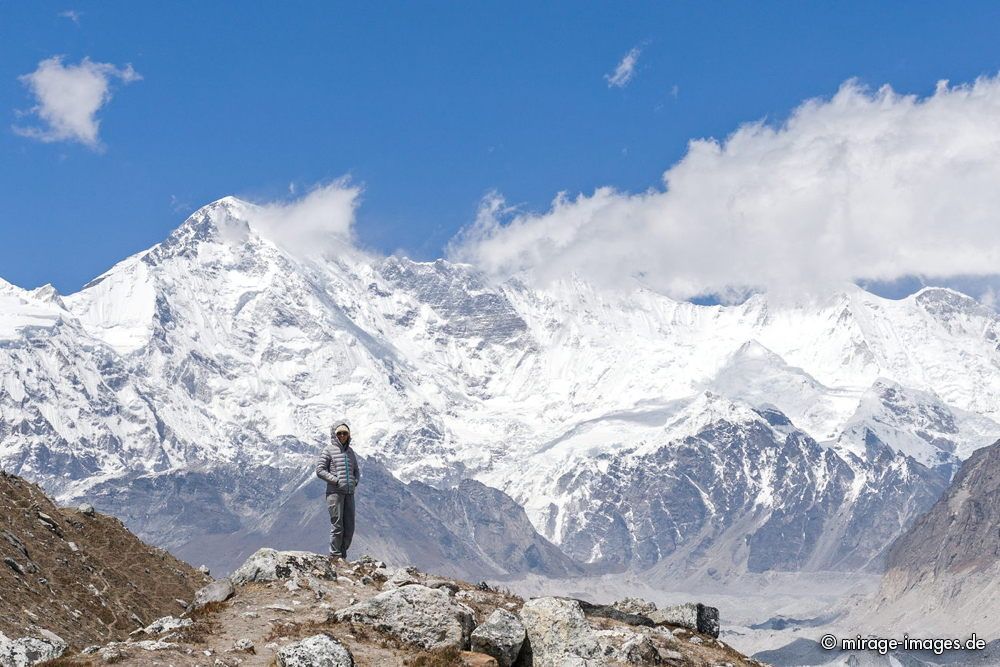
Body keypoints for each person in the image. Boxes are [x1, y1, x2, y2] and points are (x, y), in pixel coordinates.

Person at [316, 419, 360, 562]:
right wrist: (336, 481)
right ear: (334, 435)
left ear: (348, 435)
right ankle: (335, 556)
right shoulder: (328, 450)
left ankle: (343, 554)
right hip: (334, 493)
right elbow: (320, 470)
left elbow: (356, 470)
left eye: (344, 433)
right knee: (337, 525)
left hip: (349, 493)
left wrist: (355, 482)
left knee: (350, 526)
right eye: (339, 433)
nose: (342, 436)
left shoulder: (351, 452)